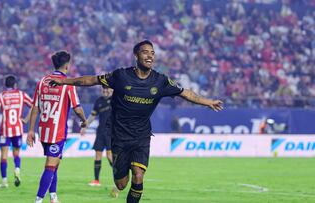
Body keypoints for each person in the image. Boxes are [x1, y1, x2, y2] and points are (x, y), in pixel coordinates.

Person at [50, 40, 223, 203]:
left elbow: (185, 93)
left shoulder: (160, 81)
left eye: (152, 53)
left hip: (141, 136)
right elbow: (91, 80)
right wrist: (64, 82)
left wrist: (208, 102)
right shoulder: (121, 76)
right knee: (121, 184)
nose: (150, 56)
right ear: (136, 55)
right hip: (119, 136)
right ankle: (118, 174)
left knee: (138, 176)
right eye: (145, 52)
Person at [26, 50, 87, 203]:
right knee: (50, 166)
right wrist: (84, 120)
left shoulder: (42, 81)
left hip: (43, 131)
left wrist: (31, 130)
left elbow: (35, 107)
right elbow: (77, 108)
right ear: (67, 65)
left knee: (55, 163)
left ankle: (53, 196)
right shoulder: (67, 83)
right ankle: (38, 200)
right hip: (56, 132)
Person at [0, 75, 33, 188]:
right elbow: (33, 106)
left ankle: (4, 181)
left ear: (5, 85)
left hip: (5, 130)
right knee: (16, 153)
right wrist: (26, 119)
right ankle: (17, 170)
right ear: (15, 85)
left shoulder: (1, 97)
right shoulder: (22, 95)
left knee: (3, 156)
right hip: (17, 129)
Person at [80, 87, 113, 187]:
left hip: (111, 132)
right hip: (100, 131)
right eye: (103, 90)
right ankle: (96, 180)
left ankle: (119, 177)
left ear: (111, 90)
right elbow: (93, 115)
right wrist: (85, 126)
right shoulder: (99, 101)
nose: (105, 91)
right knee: (98, 154)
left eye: (107, 90)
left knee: (109, 156)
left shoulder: (116, 100)